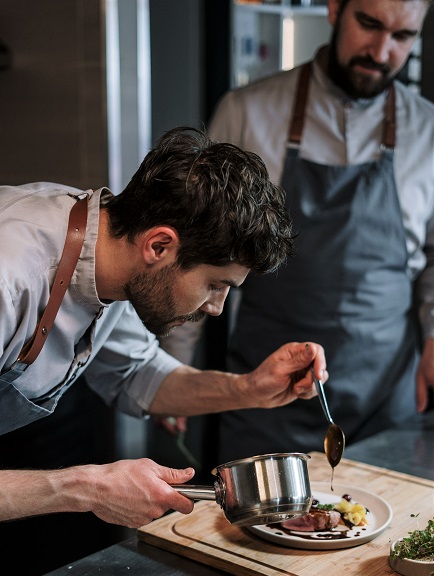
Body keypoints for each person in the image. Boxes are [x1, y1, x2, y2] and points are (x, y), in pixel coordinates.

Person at [0, 126, 327, 528]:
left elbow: (137, 375)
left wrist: (249, 389)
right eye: (215, 285)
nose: (216, 308)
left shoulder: (111, 246)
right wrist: (86, 488)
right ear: (159, 246)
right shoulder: (10, 279)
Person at [161, 0, 434, 464]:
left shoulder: (428, 129)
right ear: (334, 9)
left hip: (385, 395)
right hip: (265, 391)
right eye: (368, 24)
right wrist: (173, 371)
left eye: (402, 36)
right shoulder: (247, 112)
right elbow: (198, 249)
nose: (381, 50)